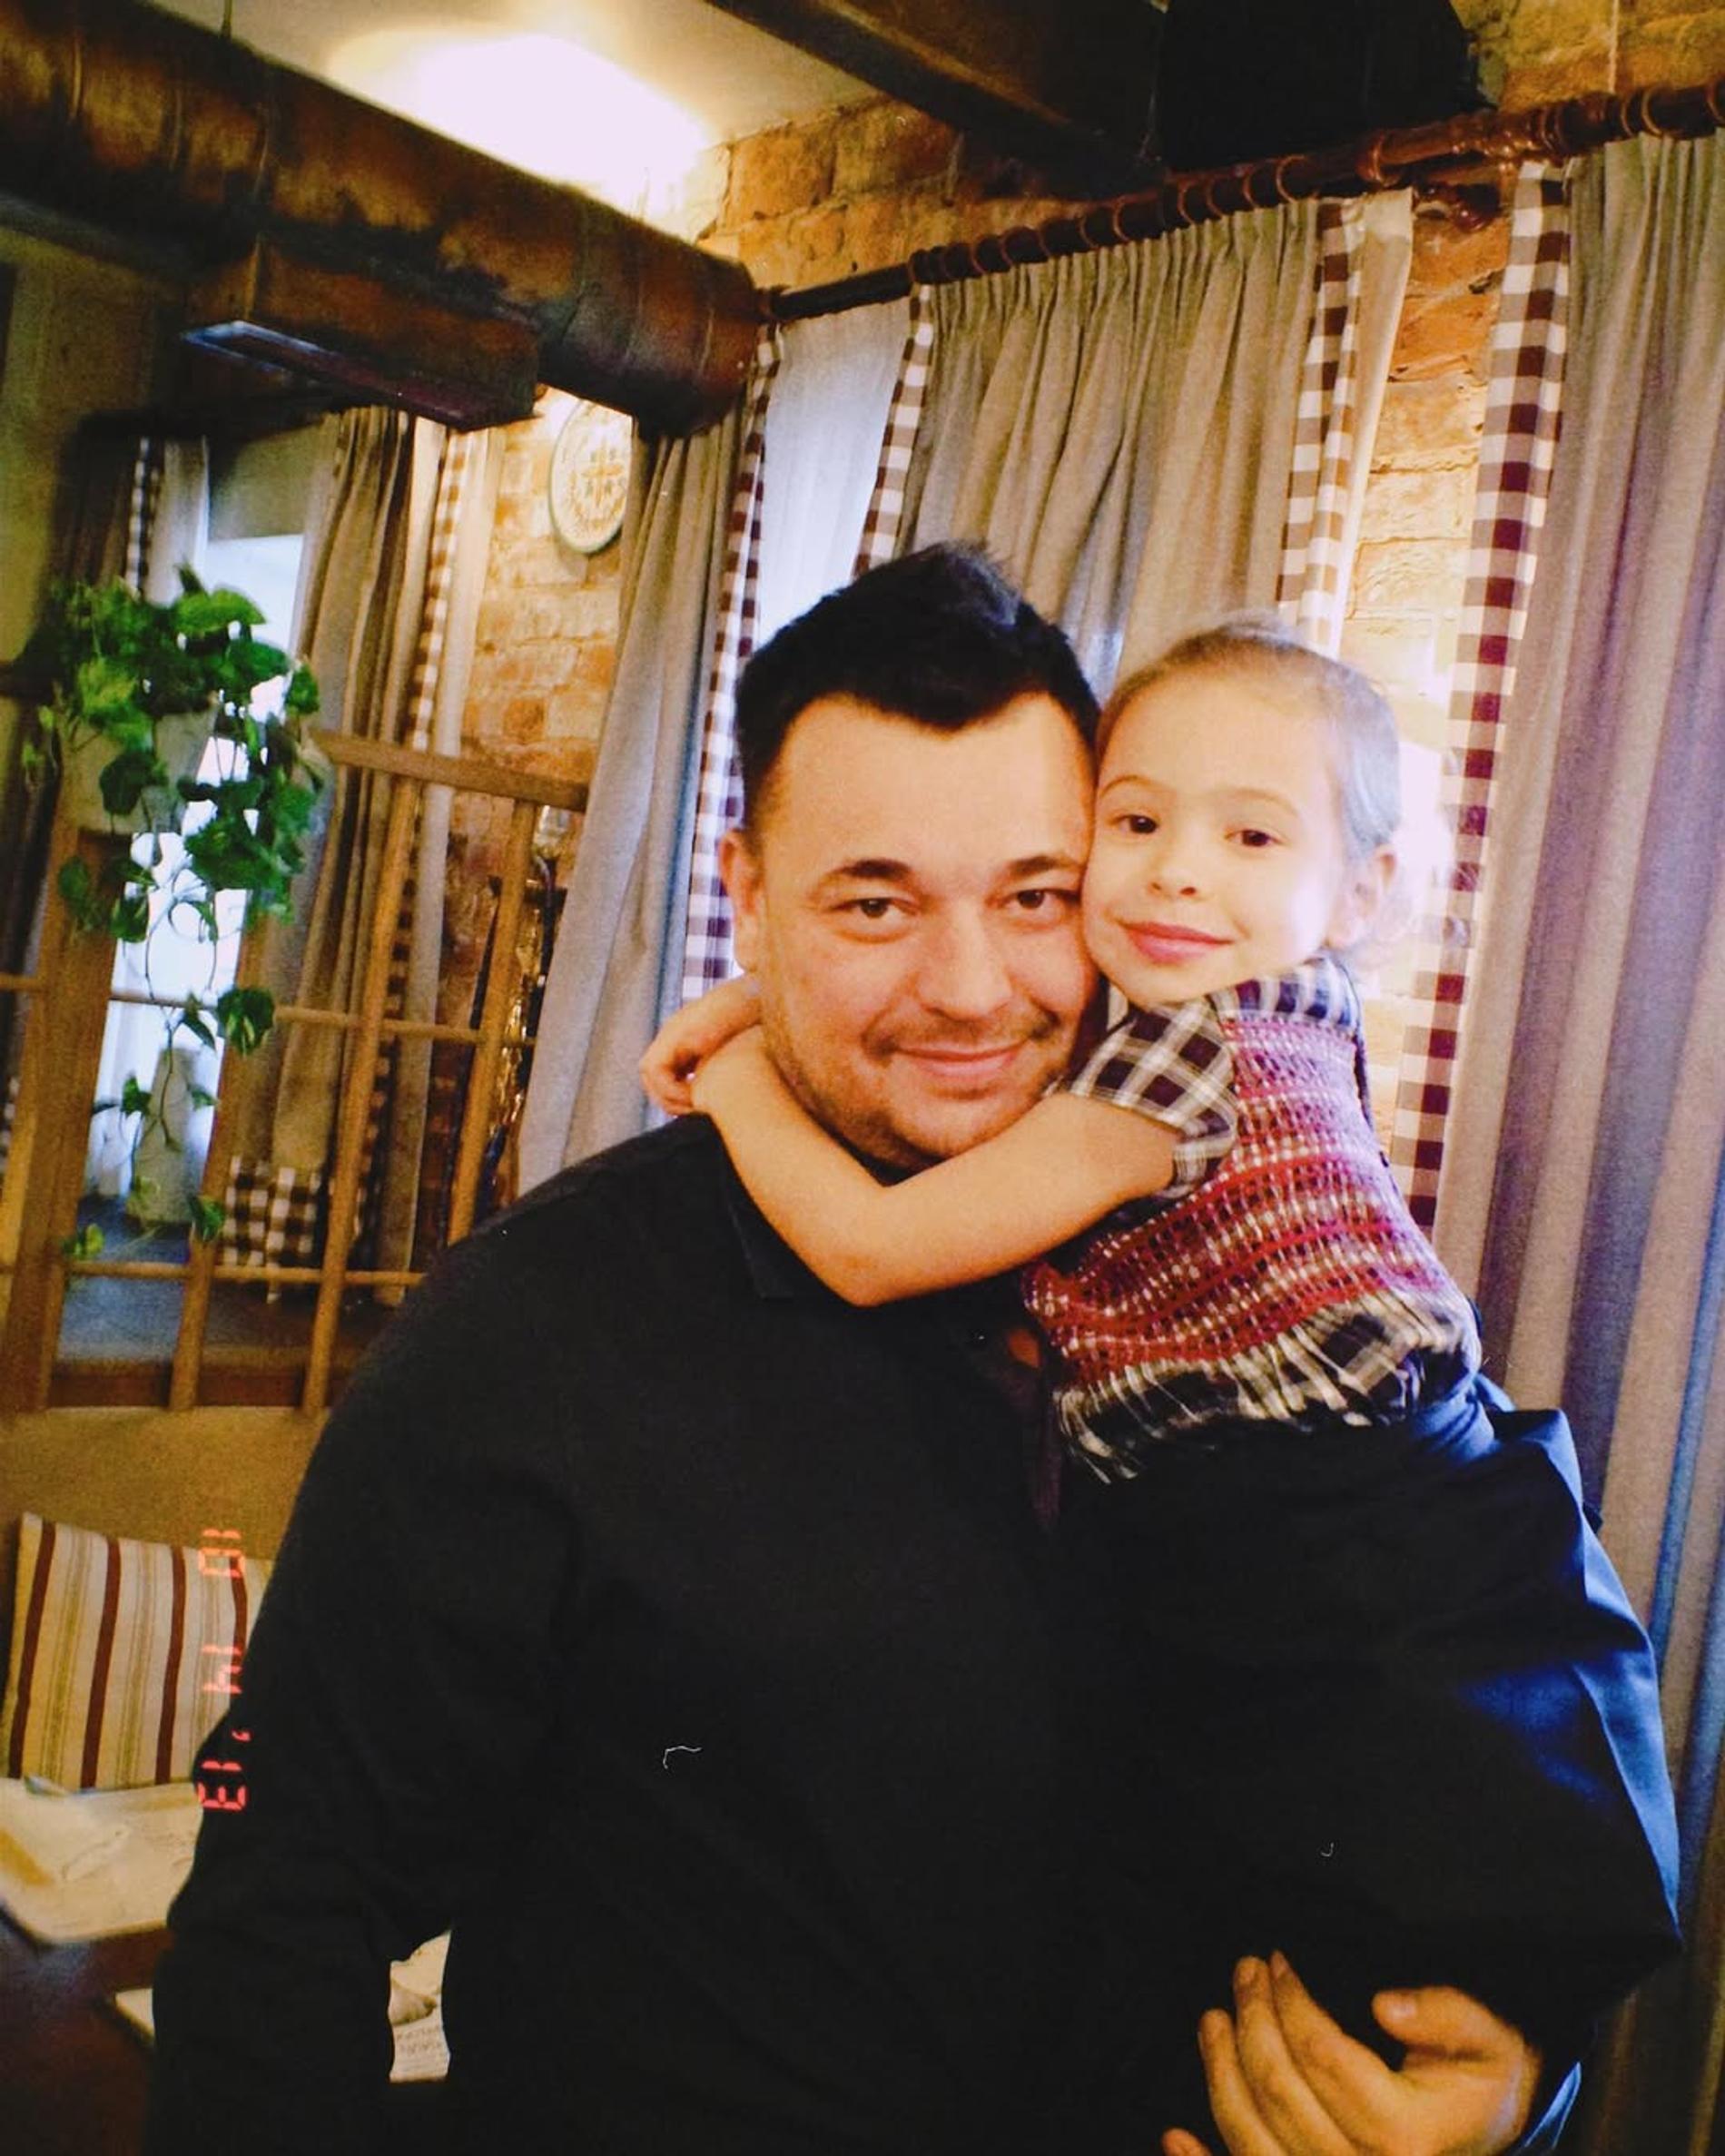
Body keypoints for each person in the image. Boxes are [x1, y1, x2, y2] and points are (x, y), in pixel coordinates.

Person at [149, 547, 1582, 2156]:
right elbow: (284, 1896)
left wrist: (1505, 2077)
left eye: (1034, 897)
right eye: (876, 903)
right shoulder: (535, 1332)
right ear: (750, 896)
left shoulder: (1233, 1269)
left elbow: (1490, 1660)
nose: (969, 992)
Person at [644, 610, 1680, 2145]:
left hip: (1356, 1536)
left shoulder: (1179, 1060)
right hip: (1404, 1524)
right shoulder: (1268, 1015)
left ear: (1361, 893)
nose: (1179, 874)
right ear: (751, 892)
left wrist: (734, 1070)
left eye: (1249, 835)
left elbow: (868, 1247)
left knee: (1400, 1924)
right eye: (1134, 828)